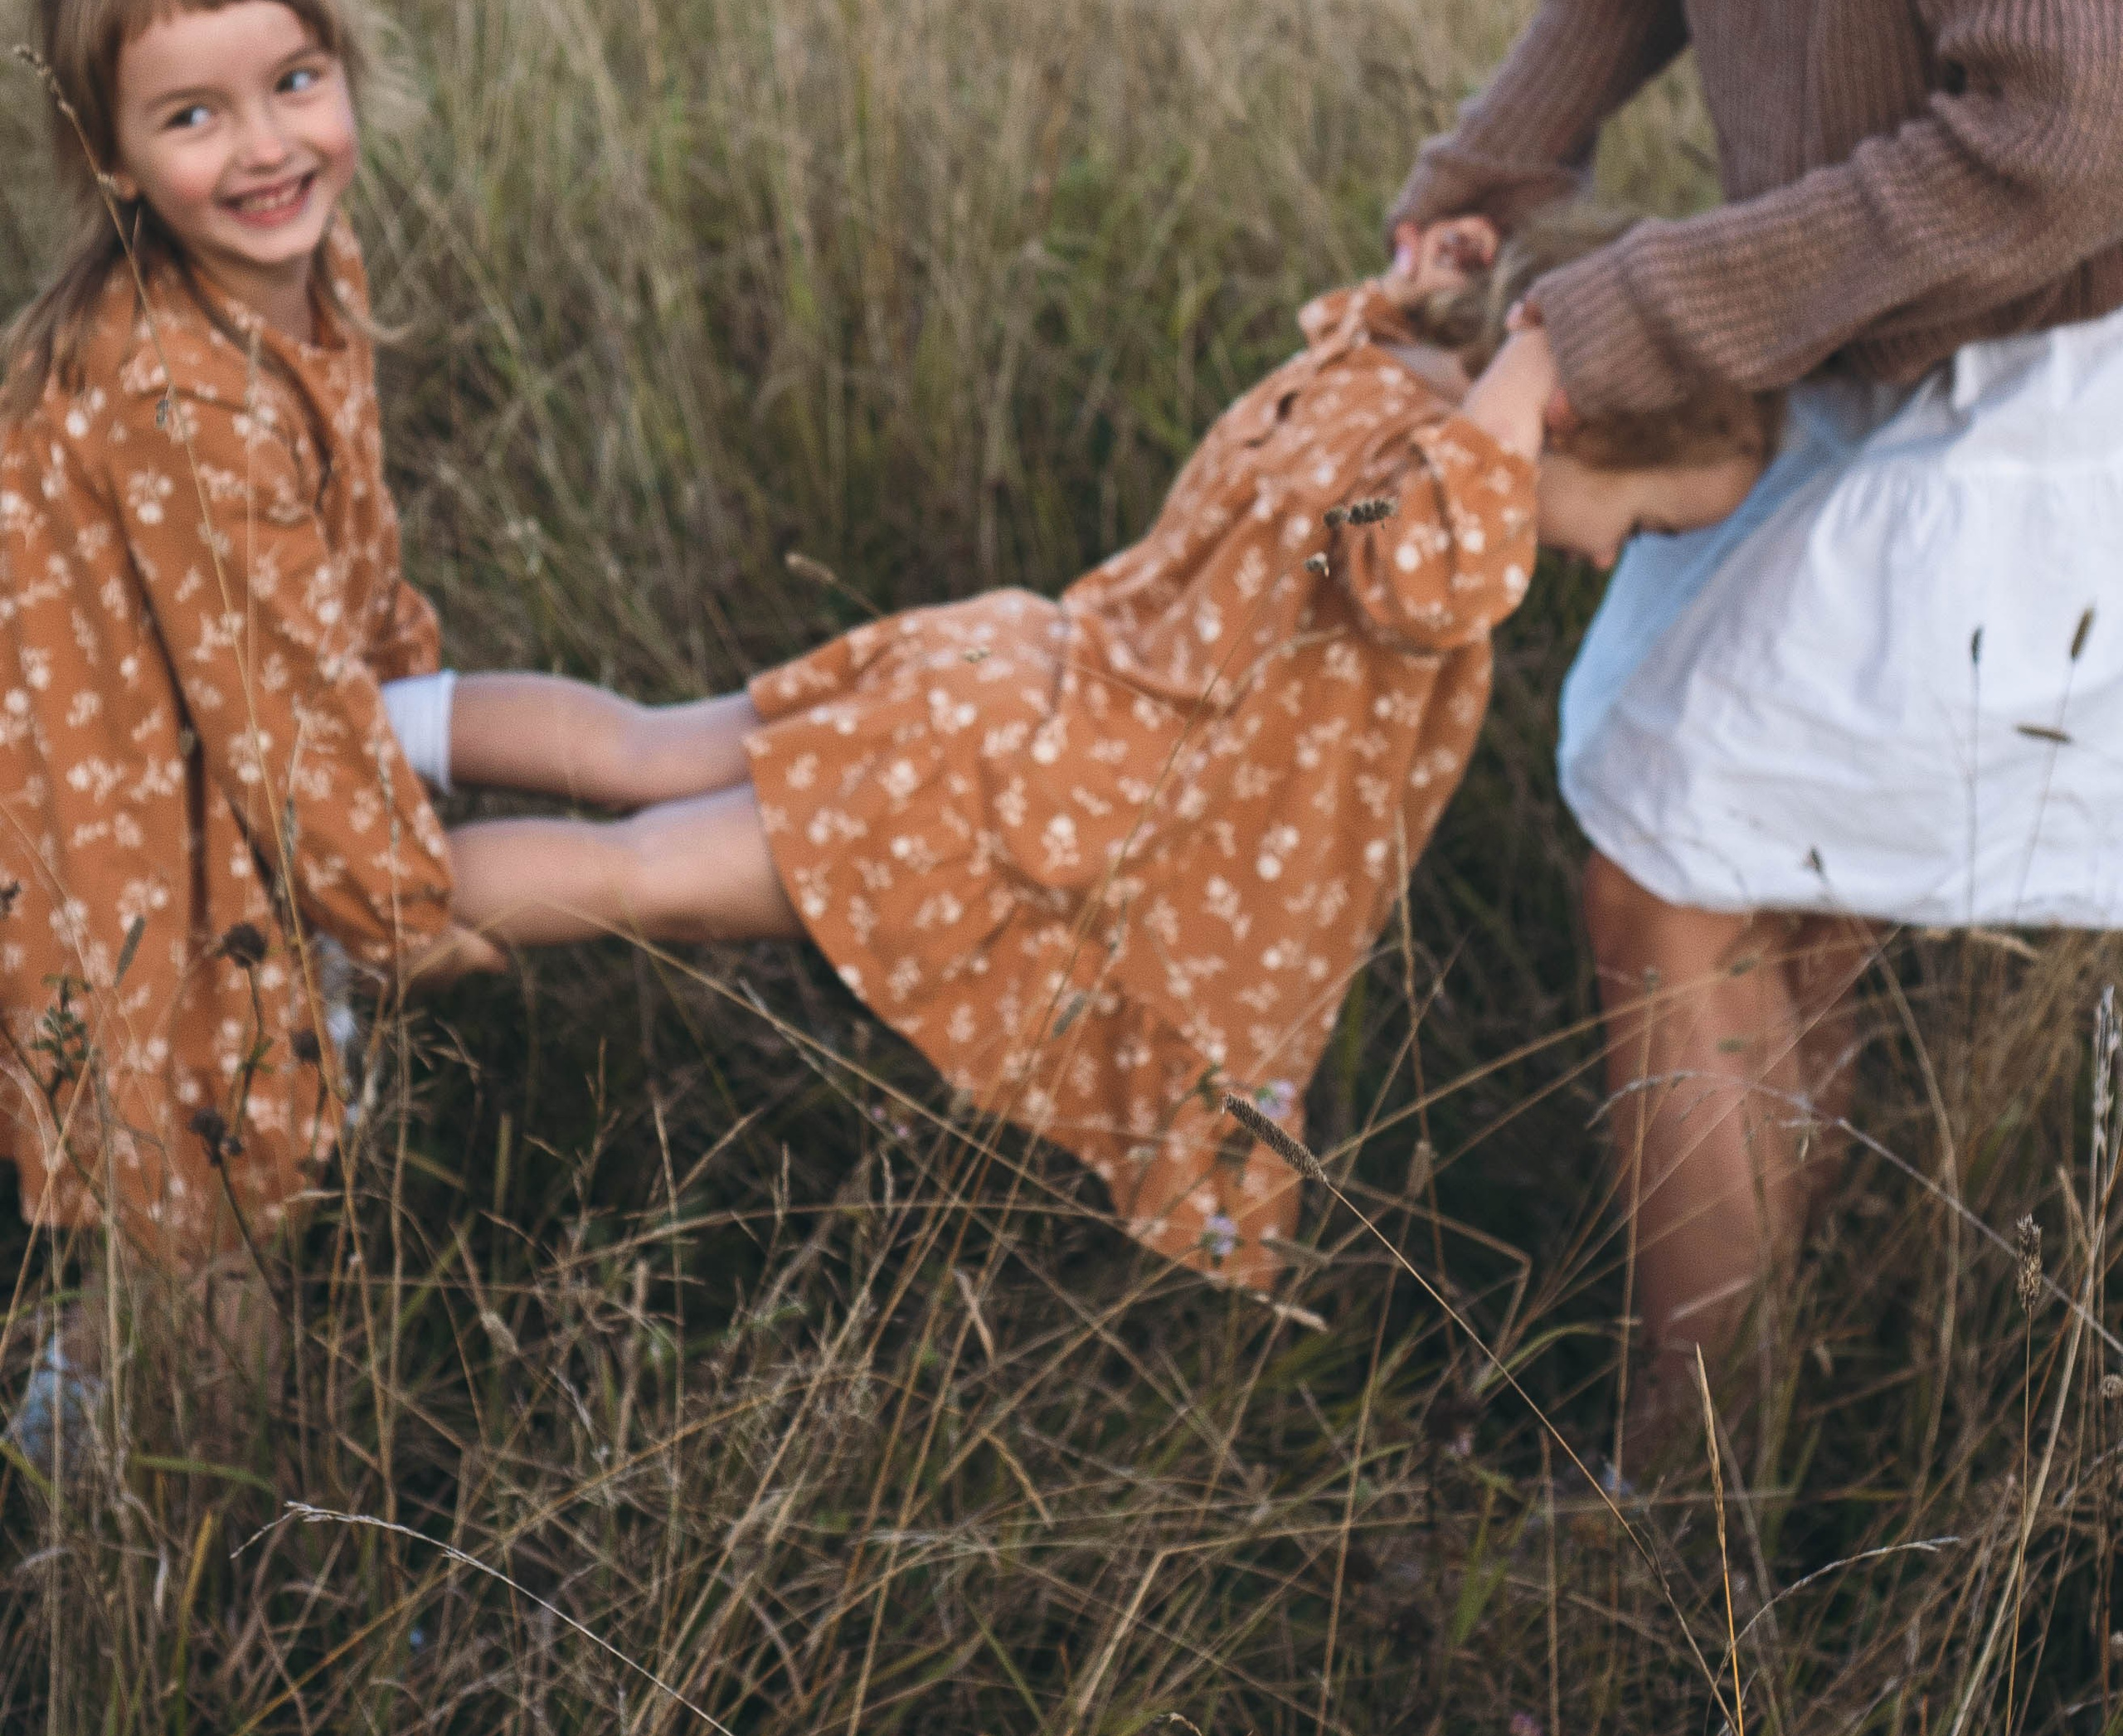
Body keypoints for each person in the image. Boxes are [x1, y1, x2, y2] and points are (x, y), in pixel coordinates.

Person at [1389, 0, 2123, 1462]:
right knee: (1760, 884)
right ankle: (1748, 1428)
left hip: (2071, 368)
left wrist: (1612, 317)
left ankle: (1673, 1502)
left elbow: (2066, 143)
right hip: (1909, 323)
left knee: (1678, 862)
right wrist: (1497, 171)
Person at [443, 206, 1776, 1288]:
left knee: (642, 751)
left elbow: (1369, 503)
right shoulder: (1425, 504)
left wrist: (1466, 322)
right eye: (1643, 524)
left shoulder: (1363, 389)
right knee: (645, 878)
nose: (1607, 558)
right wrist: (1537, 365)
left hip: (1001, 681)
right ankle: (344, 895)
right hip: (1035, 793)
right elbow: (1424, 574)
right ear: (1572, 421)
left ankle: (386, 729)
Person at [0, 0, 744, 1453]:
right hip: (133, 820)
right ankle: (177, 1530)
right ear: (112, 160)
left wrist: (401, 705)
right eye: (193, 116)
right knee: (210, 1209)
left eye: (293, 81)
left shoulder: (298, 266)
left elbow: (326, 583)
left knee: (603, 744)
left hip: (233, 717)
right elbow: (272, 728)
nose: (267, 144)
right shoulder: (171, 391)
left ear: (343, 66)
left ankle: (742, 739)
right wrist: (399, 915)